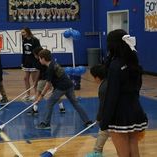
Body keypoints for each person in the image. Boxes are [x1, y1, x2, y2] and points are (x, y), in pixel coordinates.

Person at [100, 29, 148, 157]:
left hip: (120, 114)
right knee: (133, 145)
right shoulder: (133, 62)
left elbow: (112, 95)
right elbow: (137, 88)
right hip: (135, 109)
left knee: (123, 153)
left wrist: (104, 119)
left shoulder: (115, 65)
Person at [35, 49, 92, 129]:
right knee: (75, 103)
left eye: (40, 58)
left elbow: (48, 84)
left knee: (49, 102)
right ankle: (88, 121)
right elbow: (56, 79)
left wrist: (41, 96)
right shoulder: (54, 63)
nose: (39, 60)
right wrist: (54, 89)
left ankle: (46, 124)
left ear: (43, 59)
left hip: (61, 88)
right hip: (69, 85)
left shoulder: (50, 68)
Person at [27, 47, 65, 115]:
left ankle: (34, 109)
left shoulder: (39, 62)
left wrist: (35, 82)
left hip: (43, 79)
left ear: (38, 55)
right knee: (55, 93)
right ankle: (62, 108)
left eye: (35, 55)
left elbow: (38, 73)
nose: (35, 56)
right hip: (52, 80)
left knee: (38, 94)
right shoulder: (49, 60)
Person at [85, 64, 109, 157]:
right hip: (115, 113)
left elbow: (103, 105)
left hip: (112, 114)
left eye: (93, 77)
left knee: (103, 130)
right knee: (104, 131)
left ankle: (97, 152)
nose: (93, 80)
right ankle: (97, 151)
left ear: (98, 77)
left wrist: (99, 118)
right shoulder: (109, 82)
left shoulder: (103, 88)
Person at [21, 27, 41, 101]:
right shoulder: (24, 40)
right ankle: (27, 95)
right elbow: (23, 52)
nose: (22, 34)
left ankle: (36, 94)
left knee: (34, 80)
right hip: (26, 62)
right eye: (22, 33)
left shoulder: (35, 40)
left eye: (23, 32)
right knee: (25, 78)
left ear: (27, 32)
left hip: (33, 62)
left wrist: (37, 60)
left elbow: (39, 50)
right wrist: (22, 62)